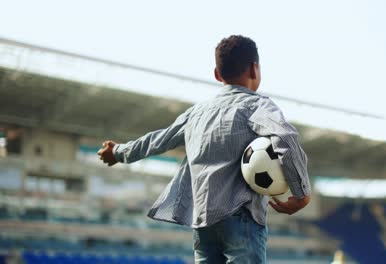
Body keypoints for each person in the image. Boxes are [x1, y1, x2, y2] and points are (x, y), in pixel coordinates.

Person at [98, 35, 311, 264]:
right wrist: (301, 195)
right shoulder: (256, 105)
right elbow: (285, 138)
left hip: (203, 222)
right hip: (241, 216)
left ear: (217, 75)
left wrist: (118, 151)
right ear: (254, 68)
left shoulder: (197, 113)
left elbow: (158, 139)